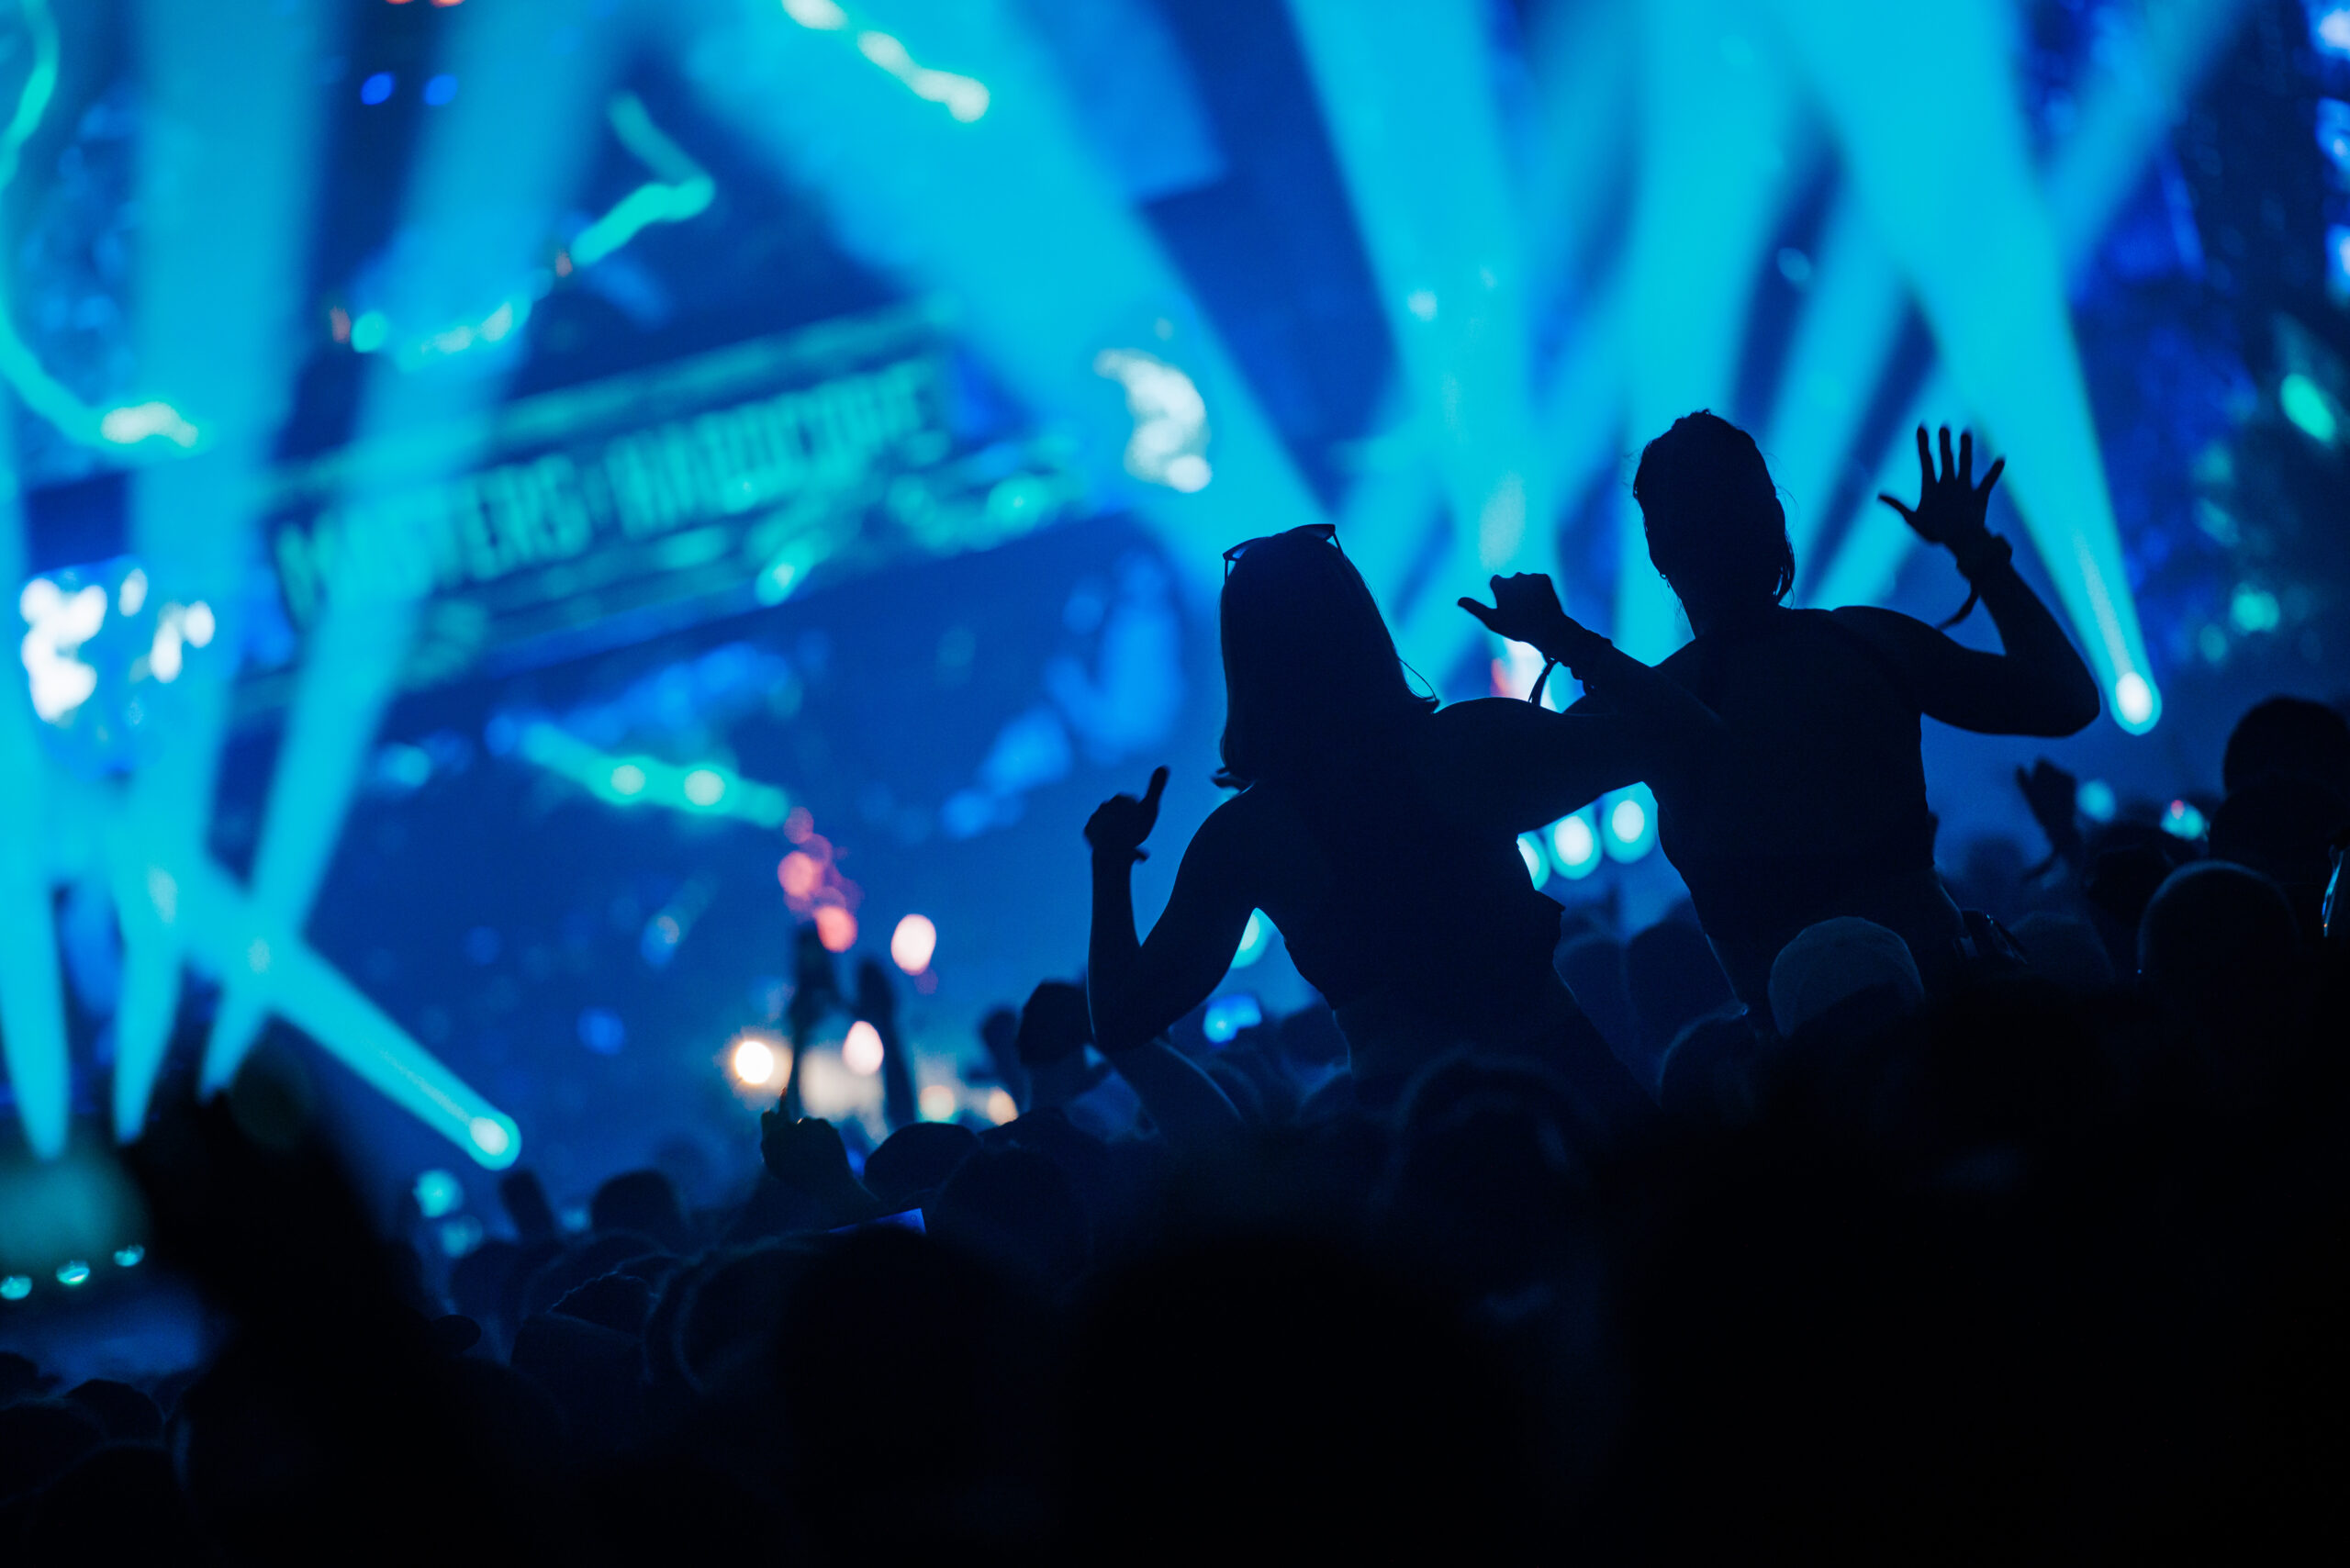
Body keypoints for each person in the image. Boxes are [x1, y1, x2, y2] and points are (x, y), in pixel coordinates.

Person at [1083, 522, 1717, 1111]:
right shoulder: (1468, 744)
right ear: (1360, 624)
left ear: (1243, 659)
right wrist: (1564, 640)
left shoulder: (1247, 839)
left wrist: (1112, 863)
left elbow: (1121, 1022)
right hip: (1574, 1097)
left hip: (1414, 1137)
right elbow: (1686, 736)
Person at [1480, 416, 2100, 1008]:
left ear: (1659, 553)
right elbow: (2066, 699)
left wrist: (1566, 643)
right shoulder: (1872, 645)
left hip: (1809, 1065)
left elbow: (1492, 800)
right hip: (1957, 1016)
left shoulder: (1644, 704)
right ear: (1775, 518)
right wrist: (1975, 547)